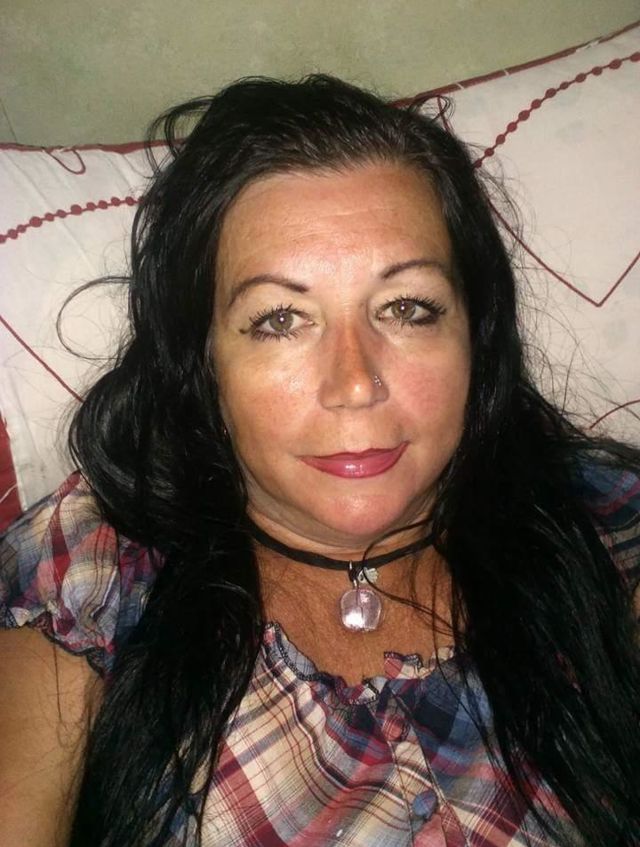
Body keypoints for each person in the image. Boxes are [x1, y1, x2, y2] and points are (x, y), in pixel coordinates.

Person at [0, 75, 638, 847]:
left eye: (407, 308)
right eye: (279, 319)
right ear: (202, 360)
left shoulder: (605, 525)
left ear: (476, 332)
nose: (355, 383)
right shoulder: (91, 575)